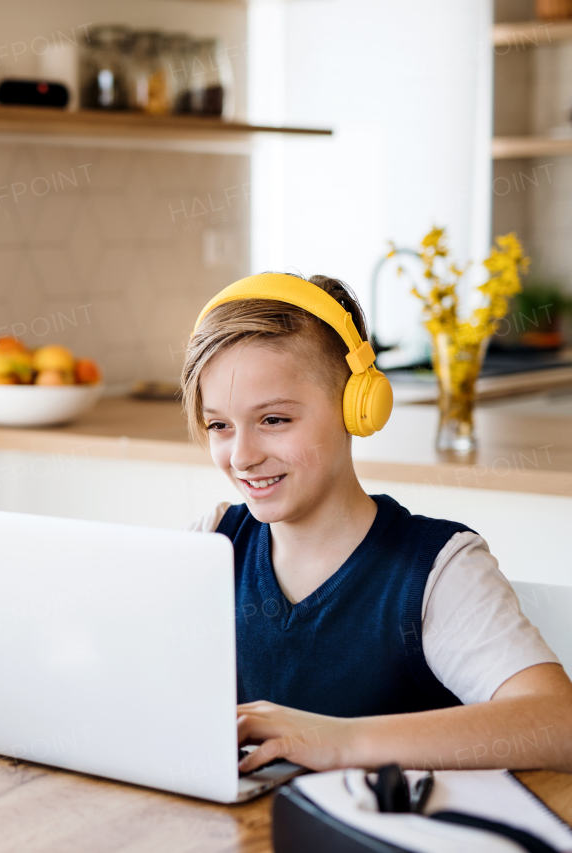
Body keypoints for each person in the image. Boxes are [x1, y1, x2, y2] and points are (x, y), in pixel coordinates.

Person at [181, 272, 572, 773]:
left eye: (274, 420)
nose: (242, 455)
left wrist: (339, 741)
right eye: (219, 425)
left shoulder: (437, 570)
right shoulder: (212, 542)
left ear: (357, 407)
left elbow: (557, 725)